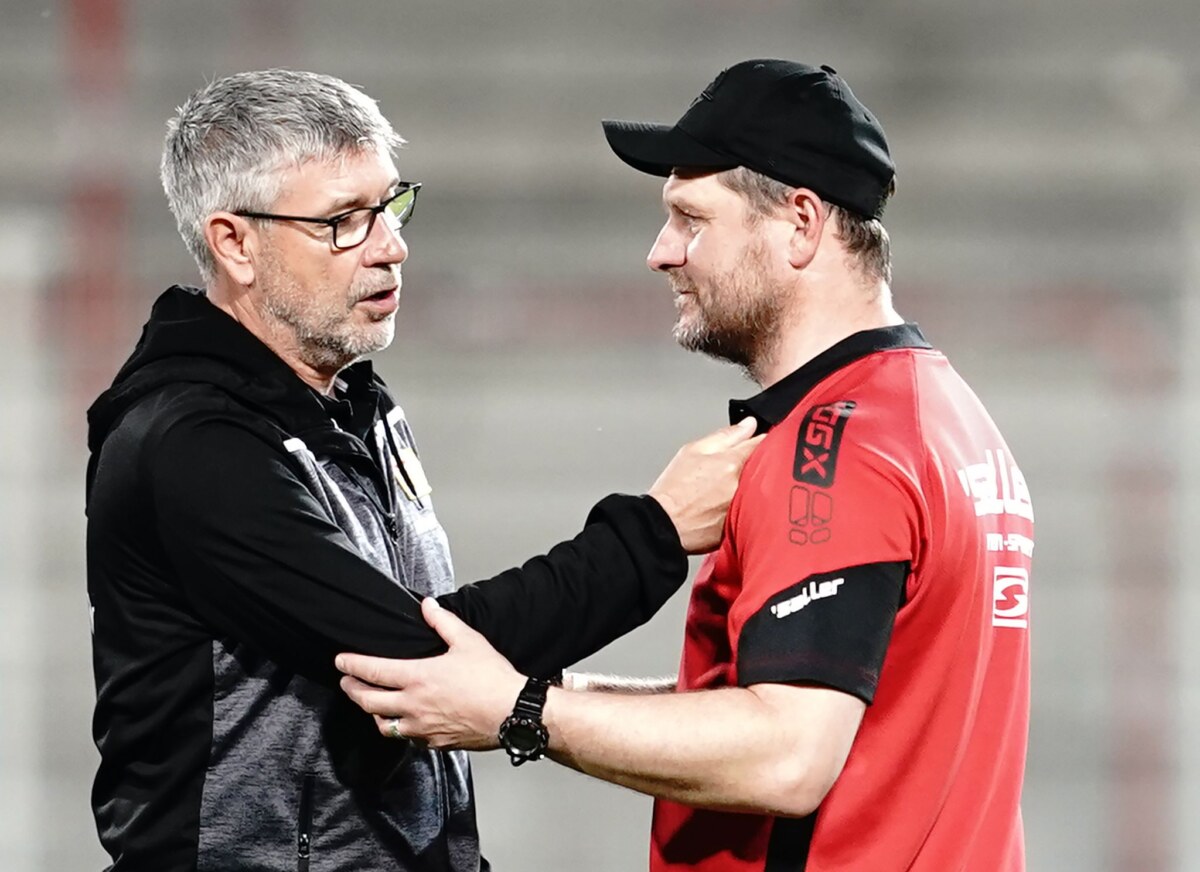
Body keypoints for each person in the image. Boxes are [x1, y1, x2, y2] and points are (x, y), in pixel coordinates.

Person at [338, 59, 1035, 871]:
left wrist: (518, 712)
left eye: (691, 218)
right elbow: (826, 708)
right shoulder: (945, 415)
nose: (661, 252)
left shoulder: (834, 446)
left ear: (802, 223)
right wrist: (543, 696)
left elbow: (786, 756)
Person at [85, 68, 761, 872]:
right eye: (343, 221)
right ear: (235, 243)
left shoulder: (352, 402)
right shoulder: (188, 443)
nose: (391, 246)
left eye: (389, 205)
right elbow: (417, 662)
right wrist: (651, 534)